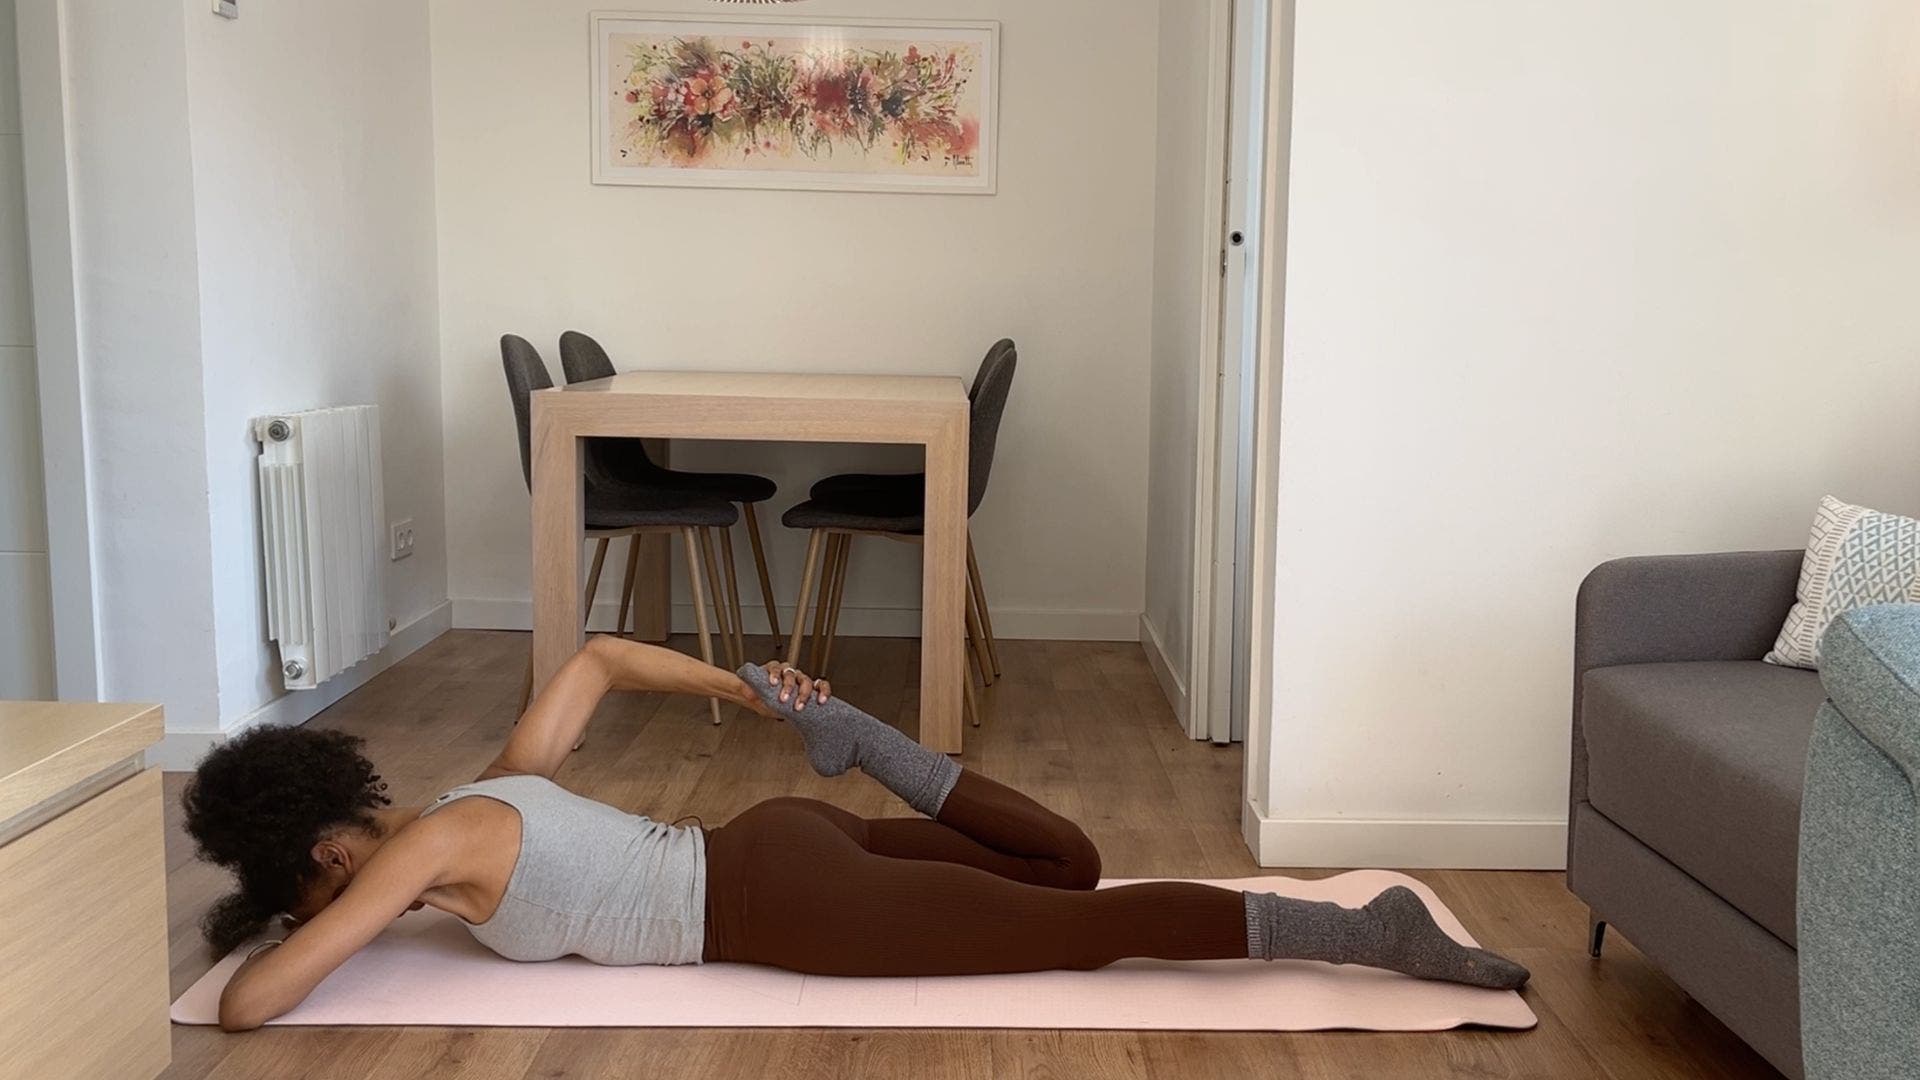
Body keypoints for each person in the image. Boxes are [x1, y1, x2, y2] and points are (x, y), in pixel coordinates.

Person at [184, 636, 1528, 1031]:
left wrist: (320, 931)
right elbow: (594, 658)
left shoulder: (421, 855)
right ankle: (867, 741)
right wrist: (747, 689)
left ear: (328, 849)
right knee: (1061, 862)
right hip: (776, 834)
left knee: (1089, 922)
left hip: (789, 913)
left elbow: (253, 1009)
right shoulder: (495, 785)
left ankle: (1360, 930)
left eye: (321, 886)